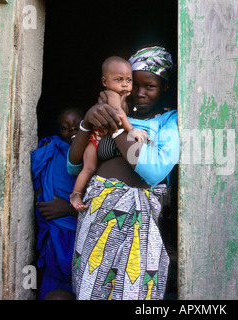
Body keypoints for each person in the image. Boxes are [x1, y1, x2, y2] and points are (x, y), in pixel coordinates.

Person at [67, 46, 180, 300]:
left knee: (133, 290)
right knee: (91, 288)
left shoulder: (168, 122)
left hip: (139, 219)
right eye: (131, 83)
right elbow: (74, 165)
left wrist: (118, 129)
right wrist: (87, 122)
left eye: (149, 86)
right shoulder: (108, 111)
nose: (138, 92)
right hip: (97, 215)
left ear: (165, 88)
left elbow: (153, 171)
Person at [70, 56, 148, 211]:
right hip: (95, 138)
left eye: (129, 80)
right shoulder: (111, 95)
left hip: (103, 138)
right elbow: (118, 114)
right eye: (119, 80)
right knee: (89, 168)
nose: (125, 84)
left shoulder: (124, 97)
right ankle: (75, 194)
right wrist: (131, 130)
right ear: (105, 82)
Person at [31, 108, 83, 299]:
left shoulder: (95, 153)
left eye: (78, 124)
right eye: (64, 127)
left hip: (81, 232)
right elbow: (39, 190)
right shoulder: (50, 150)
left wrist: (70, 209)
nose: (72, 130)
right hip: (54, 233)